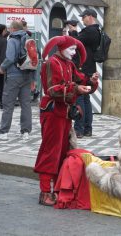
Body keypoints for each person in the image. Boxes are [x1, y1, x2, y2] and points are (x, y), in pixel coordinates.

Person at [34, 35, 99, 206]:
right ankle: (44, 192)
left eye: (75, 50)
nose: (73, 52)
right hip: (52, 113)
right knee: (51, 151)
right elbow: (52, 89)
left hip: (64, 113)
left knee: (62, 152)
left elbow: (81, 78)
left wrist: (91, 81)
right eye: (71, 49)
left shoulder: (69, 64)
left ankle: (56, 189)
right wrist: (76, 88)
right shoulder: (51, 63)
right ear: (61, 49)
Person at [0, 21, 34, 141]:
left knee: (8, 104)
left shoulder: (12, 40)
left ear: (13, 29)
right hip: (27, 74)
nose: (8, 29)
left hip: (14, 76)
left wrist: (2, 67)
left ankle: (3, 132)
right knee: (26, 104)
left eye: (10, 27)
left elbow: (10, 58)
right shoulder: (28, 38)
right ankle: (25, 132)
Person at [68, 9, 100, 138]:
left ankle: (79, 129)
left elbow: (76, 43)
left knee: (80, 97)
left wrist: (73, 32)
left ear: (90, 17)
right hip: (89, 69)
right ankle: (87, 129)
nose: (82, 20)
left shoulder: (90, 31)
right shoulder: (97, 31)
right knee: (86, 98)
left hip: (82, 70)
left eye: (84, 17)